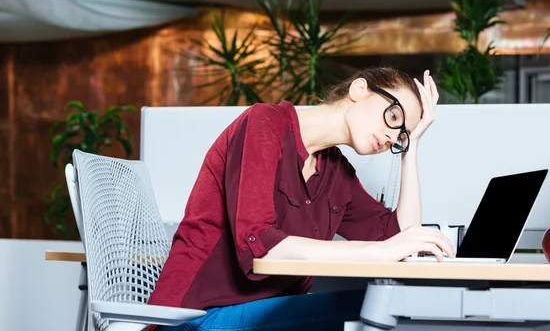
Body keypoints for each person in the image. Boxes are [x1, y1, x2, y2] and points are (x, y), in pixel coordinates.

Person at [147, 66, 455, 331]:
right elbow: (260, 247)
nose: (392, 137)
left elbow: (402, 238)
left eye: (399, 136)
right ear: (360, 90)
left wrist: (411, 146)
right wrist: (381, 252)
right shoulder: (264, 123)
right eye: (393, 116)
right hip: (196, 318)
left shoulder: (336, 173)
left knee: (397, 303)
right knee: (392, 308)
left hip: (265, 315)